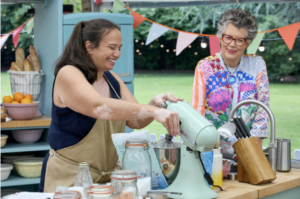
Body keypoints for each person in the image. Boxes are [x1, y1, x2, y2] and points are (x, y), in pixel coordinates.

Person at [39, 19, 182, 192]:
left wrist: (155, 105)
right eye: (112, 47)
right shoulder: (69, 73)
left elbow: (135, 121)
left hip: (106, 183)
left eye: (119, 48)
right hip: (70, 180)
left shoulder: (112, 79)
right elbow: (98, 107)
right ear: (89, 47)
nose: (117, 54)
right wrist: (154, 111)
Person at [192, 9, 269, 153]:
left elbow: (263, 109)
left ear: (248, 43)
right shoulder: (205, 67)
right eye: (228, 37)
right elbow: (197, 113)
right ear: (220, 37)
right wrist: (210, 152)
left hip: (248, 149)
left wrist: (254, 146)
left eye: (240, 40)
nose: (232, 44)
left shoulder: (257, 64)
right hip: (213, 150)